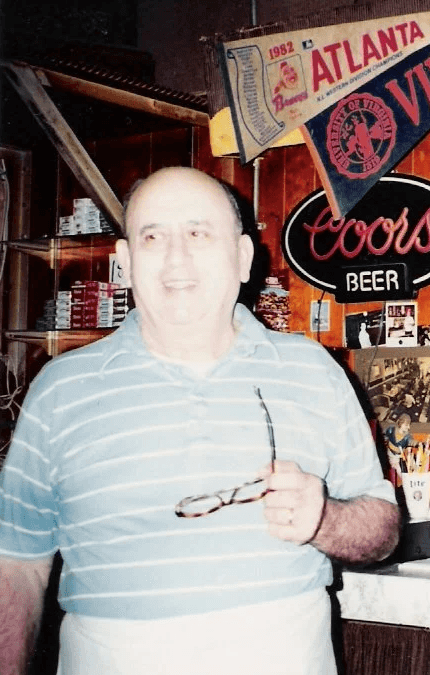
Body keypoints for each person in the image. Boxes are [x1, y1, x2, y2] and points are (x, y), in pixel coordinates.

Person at [0, 167, 400, 675]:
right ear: (124, 263)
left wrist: (324, 519)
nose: (176, 258)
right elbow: (15, 564)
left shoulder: (314, 370)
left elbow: (384, 529)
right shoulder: (60, 388)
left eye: (198, 233)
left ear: (243, 258)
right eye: (152, 236)